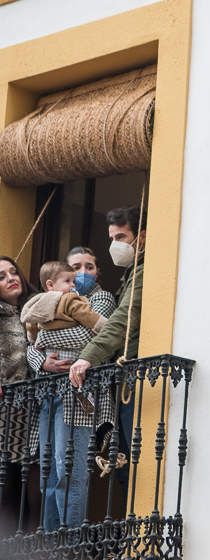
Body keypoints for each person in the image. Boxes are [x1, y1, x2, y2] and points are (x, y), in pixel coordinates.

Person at [25, 248, 116, 531]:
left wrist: (43, 339)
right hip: (50, 394)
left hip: (78, 396)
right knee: (48, 475)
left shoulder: (97, 299)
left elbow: (90, 334)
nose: (81, 275)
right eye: (75, 268)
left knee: (69, 471)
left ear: (98, 271)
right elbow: (29, 345)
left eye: (89, 267)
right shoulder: (43, 302)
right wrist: (41, 359)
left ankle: (70, 543)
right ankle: (52, 543)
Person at [68, 207, 145, 505]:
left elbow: (123, 319)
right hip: (124, 377)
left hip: (134, 375)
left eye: (122, 236)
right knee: (122, 457)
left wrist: (87, 356)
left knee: (127, 457)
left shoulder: (143, 272)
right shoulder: (133, 273)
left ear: (143, 236)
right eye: (112, 237)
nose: (116, 244)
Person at [0, 256, 38, 535]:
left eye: (13, 272)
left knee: (24, 481)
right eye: (1, 276)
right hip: (5, 410)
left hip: (30, 411)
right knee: (6, 480)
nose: (11, 278)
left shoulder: (34, 310)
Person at [21, 261, 108, 341]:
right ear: (50, 285)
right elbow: (87, 315)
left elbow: (31, 326)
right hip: (70, 347)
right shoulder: (68, 299)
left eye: (73, 281)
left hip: (48, 350)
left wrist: (34, 340)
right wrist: (107, 327)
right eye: (67, 281)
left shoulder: (38, 303)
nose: (73, 285)